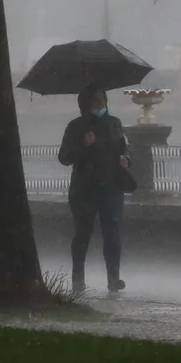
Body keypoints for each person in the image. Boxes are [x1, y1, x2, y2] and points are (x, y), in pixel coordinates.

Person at [57, 83, 133, 295]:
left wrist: (126, 159)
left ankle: (113, 278)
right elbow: (64, 157)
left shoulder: (114, 123)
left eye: (103, 99)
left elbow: (123, 147)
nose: (101, 104)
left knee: (112, 235)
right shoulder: (76, 126)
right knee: (83, 234)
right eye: (96, 100)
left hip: (111, 188)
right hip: (84, 190)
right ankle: (78, 278)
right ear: (86, 103)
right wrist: (83, 144)